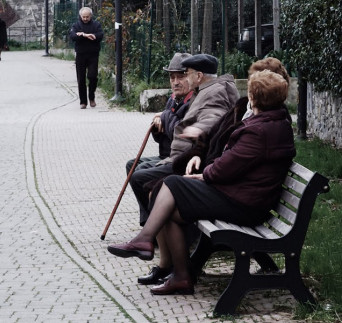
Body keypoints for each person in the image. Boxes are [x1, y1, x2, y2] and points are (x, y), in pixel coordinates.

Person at [107, 70, 296, 296]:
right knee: (169, 205)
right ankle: (181, 276)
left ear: (254, 98)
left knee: (172, 184)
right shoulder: (271, 123)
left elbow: (226, 167)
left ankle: (145, 240)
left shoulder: (260, 130)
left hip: (245, 204)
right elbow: (231, 162)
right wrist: (206, 171)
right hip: (244, 196)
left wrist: (205, 175)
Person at [129, 54, 239, 227]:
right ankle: (153, 229)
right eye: (173, 77)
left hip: (189, 161)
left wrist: (199, 128)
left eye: (186, 74)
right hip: (183, 156)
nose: (181, 80)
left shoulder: (214, 91)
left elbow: (214, 115)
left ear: (199, 75)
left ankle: (154, 228)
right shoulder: (203, 90)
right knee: (137, 171)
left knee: (139, 177)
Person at [125, 52, 194, 177]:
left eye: (180, 77)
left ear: (191, 77)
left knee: (140, 173)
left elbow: (180, 134)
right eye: (172, 78)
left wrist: (165, 115)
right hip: (166, 155)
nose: (175, 82)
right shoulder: (173, 98)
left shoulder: (193, 102)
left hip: (181, 159)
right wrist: (157, 127)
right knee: (132, 165)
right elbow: (162, 137)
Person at [69, 7, 104, 109]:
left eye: (87, 17)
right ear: (80, 16)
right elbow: (72, 36)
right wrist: (84, 35)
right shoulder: (76, 25)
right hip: (80, 55)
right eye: (83, 17)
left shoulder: (96, 25)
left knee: (92, 76)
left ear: (91, 16)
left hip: (93, 54)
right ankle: (83, 102)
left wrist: (91, 35)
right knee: (81, 79)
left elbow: (100, 35)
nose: (85, 18)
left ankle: (91, 96)